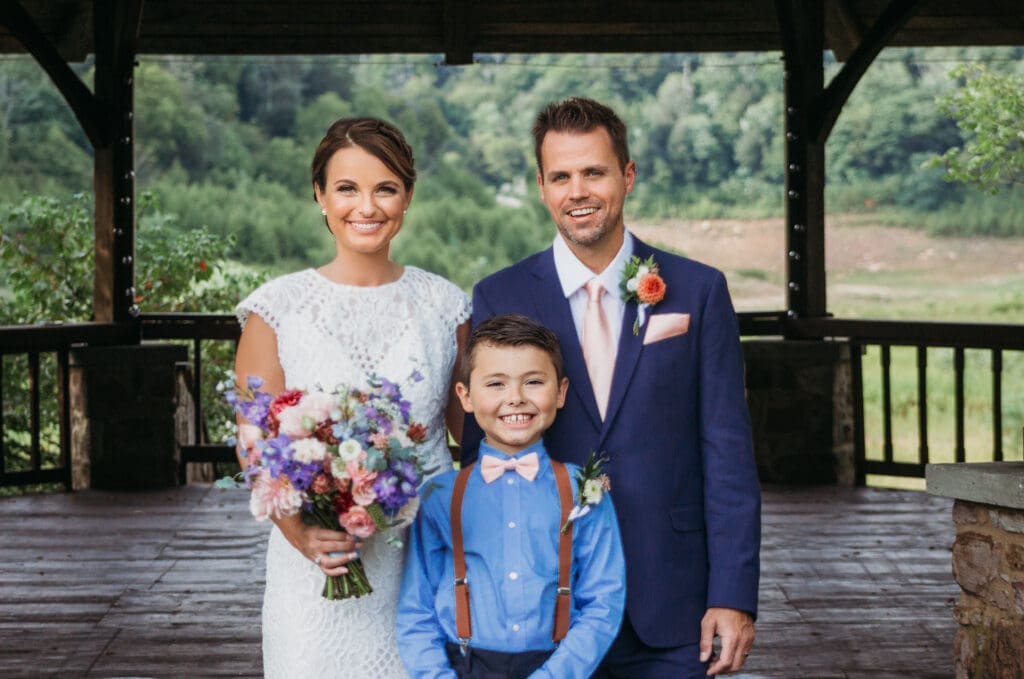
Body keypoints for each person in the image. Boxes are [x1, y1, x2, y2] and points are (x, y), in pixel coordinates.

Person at [461, 97, 761, 678]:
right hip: (547, 604)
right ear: (543, 187)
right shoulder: (498, 295)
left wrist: (734, 594)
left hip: (675, 606)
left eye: (593, 172)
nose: (578, 190)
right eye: (561, 176)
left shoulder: (697, 291)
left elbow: (728, 453)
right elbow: (485, 457)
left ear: (627, 175)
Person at [233, 116, 471, 678]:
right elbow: (255, 446)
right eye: (347, 188)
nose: (366, 206)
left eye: (385, 188)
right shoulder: (277, 310)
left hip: (426, 559)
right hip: (317, 574)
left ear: (407, 196)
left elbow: (476, 433)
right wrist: (304, 534)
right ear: (319, 195)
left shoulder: (445, 306)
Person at [397, 314, 626, 678]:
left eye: (534, 382)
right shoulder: (440, 496)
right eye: (496, 384)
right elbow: (416, 611)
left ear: (561, 391)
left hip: (559, 665)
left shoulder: (585, 491)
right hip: (465, 666)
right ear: (466, 396)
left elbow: (604, 600)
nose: (516, 399)